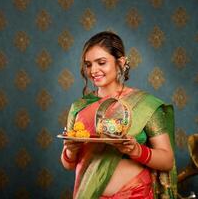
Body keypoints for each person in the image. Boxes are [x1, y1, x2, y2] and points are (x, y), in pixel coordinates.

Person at [60, 31, 177, 198]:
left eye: (101, 62)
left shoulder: (144, 104)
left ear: (120, 63)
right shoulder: (79, 107)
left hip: (137, 194)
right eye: (88, 64)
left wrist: (136, 150)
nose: (93, 70)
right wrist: (70, 151)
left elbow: (167, 161)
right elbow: (68, 164)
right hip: (90, 194)